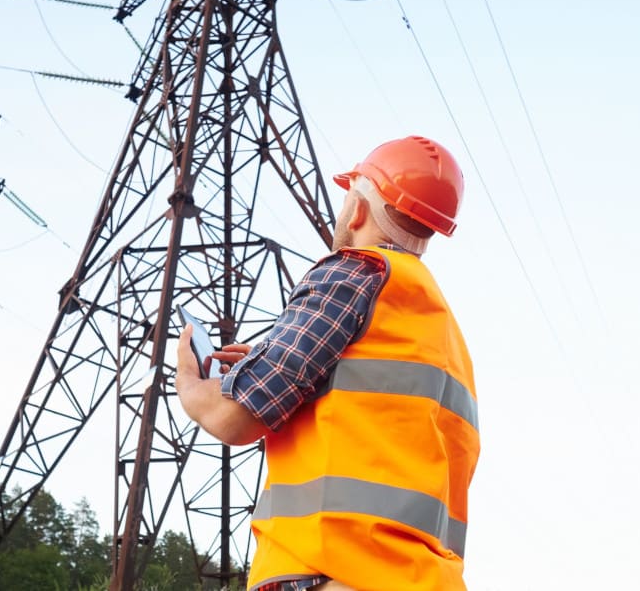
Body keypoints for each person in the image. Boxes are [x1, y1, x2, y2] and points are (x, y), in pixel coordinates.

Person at [175, 135, 480, 591]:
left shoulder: (355, 273)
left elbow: (232, 418)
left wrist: (190, 382)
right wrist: (265, 365)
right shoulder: (441, 331)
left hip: (333, 573)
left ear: (357, 208)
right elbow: (374, 431)